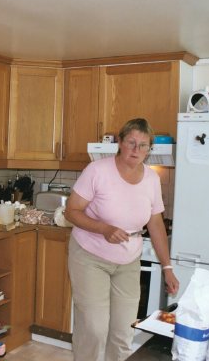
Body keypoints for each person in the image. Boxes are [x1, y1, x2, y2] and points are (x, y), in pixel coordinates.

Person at [65, 118, 179, 361]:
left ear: (150, 149)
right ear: (120, 142)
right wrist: (103, 228)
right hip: (89, 256)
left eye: (143, 145)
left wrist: (167, 267)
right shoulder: (97, 171)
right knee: (94, 328)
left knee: (124, 330)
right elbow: (71, 211)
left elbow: (156, 223)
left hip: (128, 261)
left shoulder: (151, 179)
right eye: (131, 143)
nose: (136, 150)